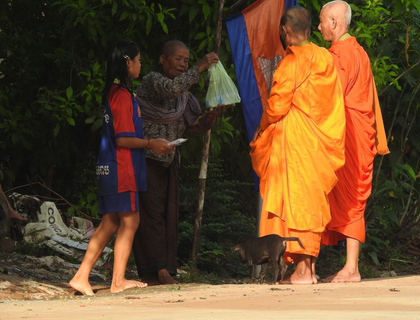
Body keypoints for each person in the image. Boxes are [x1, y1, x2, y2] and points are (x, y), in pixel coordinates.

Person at [69, 39, 174, 295]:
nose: (140, 65)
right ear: (128, 62)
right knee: (131, 221)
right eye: (138, 60)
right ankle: (117, 281)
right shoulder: (123, 95)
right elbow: (123, 138)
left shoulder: (116, 93)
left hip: (112, 167)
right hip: (121, 168)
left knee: (111, 223)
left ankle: (82, 277)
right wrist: (152, 143)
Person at [250, 6, 346, 285]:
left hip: (296, 142)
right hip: (318, 142)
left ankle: (303, 270)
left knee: (298, 204)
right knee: (311, 202)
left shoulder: (292, 63)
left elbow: (278, 105)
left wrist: (261, 127)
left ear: (286, 31)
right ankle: (309, 269)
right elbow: (332, 103)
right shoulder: (325, 58)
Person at [132, 40, 229, 285]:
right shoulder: (153, 81)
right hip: (146, 158)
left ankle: (163, 270)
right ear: (163, 59)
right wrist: (200, 66)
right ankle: (156, 271)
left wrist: (213, 115)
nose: (183, 64)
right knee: (151, 215)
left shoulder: (183, 98)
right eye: (178, 59)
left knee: (169, 216)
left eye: (186, 60)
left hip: (169, 161)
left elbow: (194, 127)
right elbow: (172, 88)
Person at [318, 0, 390, 282]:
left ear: (335, 23)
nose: (320, 27)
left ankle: (350, 268)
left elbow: (329, 100)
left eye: (322, 21)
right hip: (360, 134)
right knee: (352, 199)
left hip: (347, 135)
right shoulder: (359, 52)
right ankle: (349, 267)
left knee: (349, 198)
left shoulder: (339, 55)